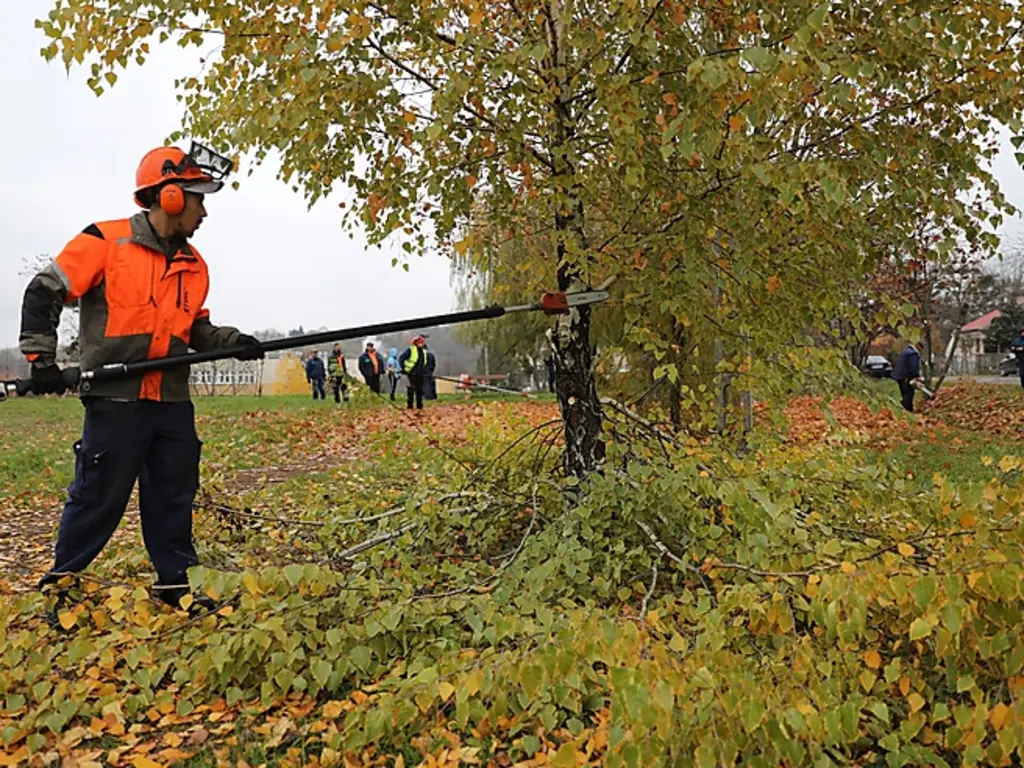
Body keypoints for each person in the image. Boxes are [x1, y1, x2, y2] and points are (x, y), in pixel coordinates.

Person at [18, 142, 263, 615]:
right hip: (117, 400)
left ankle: (177, 586)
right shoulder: (104, 242)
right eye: (198, 197)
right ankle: (61, 587)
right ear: (170, 196)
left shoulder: (195, 265)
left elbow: (195, 329)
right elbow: (44, 289)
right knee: (97, 499)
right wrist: (41, 361)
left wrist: (236, 340)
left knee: (173, 496)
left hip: (170, 401)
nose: (204, 210)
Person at [399, 335, 429, 410]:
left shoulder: (424, 351)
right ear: (416, 342)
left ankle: (419, 405)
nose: (422, 344)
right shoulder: (410, 350)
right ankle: (410, 405)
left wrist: (425, 371)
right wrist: (404, 369)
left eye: (422, 342)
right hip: (411, 373)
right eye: (420, 342)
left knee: (420, 390)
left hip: (420, 373)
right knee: (411, 389)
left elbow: (424, 362)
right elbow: (401, 358)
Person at [892, 341, 922, 413]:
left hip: (899, 376)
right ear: (918, 346)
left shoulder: (906, 351)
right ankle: (907, 410)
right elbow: (913, 367)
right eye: (921, 347)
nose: (921, 349)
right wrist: (917, 376)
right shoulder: (913, 354)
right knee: (909, 393)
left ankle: (904, 409)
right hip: (906, 376)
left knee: (903, 393)